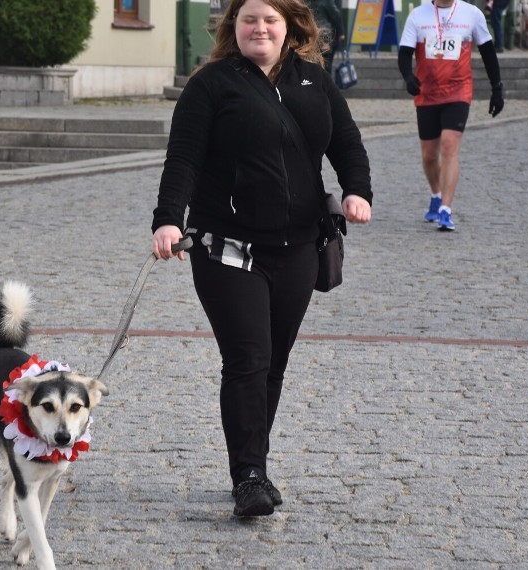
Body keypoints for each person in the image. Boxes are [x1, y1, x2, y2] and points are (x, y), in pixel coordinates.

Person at [151, 0, 372, 517]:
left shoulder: (315, 82)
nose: (260, 28)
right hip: (226, 247)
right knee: (247, 358)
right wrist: (167, 218)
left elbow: (347, 143)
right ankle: (248, 475)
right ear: (234, 27)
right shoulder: (210, 84)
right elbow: (182, 156)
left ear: (289, 26)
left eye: (270, 19)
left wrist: (356, 191)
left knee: (273, 362)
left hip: (298, 247)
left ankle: (256, 463)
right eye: (249, 19)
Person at [398, 0, 505, 231]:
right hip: (427, 93)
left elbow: (488, 52)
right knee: (428, 155)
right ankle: (436, 195)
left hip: (458, 91)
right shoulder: (418, 16)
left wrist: (497, 88)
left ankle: (446, 209)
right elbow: (404, 54)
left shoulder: (472, 14)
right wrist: (408, 77)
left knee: (449, 146)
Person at [309, 0, 345, 74]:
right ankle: (325, 83)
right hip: (324, 36)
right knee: (326, 65)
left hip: (310, 35)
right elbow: (336, 15)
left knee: (313, 64)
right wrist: (340, 33)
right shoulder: (327, 1)